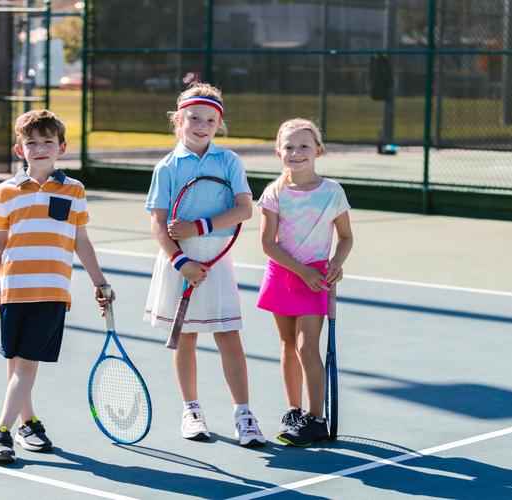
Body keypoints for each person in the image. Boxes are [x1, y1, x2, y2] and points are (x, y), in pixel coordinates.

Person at [0, 109, 113, 464]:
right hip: (13, 290)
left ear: (62, 147)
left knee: (26, 365)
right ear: (19, 149)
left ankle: (0, 432)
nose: (40, 148)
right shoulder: (6, 191)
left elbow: (80, 240)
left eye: (47, 142)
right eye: (32, 143)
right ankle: (28, 424)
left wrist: (99, 281)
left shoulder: (74, 190)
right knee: (16, 363)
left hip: (52, 291)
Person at [144, 82, 266, 447]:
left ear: (218, 124)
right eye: (194, 118)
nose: (201, 125)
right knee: (186, 338)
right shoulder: (166, 167)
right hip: (178, 262)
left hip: (216, 261)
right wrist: (181, 261)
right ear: (178, 120)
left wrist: (200, 226)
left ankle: (244, 414)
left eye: (210, 120)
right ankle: (191, 411)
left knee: (229, 335)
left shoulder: (229, 161)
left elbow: (245, 209)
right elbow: (158, 223)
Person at [256, 118, 354, 446]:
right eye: (289, 147)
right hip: (284, 274)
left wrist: (336, 263)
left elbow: (345, 237)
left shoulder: (332, 192)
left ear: (318, 151)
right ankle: (294, 410)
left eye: (303, 146)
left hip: (315, 279)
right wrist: (302, 271)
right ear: (278, 152)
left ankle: (316, 419)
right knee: (286, 345)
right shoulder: (273, 193)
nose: (296, 152)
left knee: (305, 346)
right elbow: (268, 243)